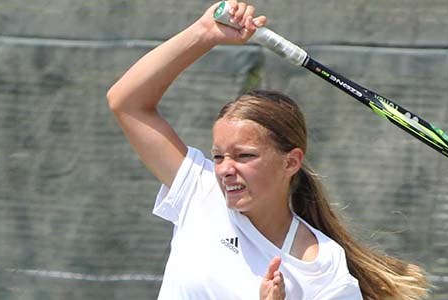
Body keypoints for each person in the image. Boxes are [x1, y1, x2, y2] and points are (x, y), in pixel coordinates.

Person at [107, 1, 429, 299]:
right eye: (218, 156)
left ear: (291, 162)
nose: (224, 169)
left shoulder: (325, 268)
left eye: (245, 156)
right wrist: (204, 34)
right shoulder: (199, 191)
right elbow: (127, 103)